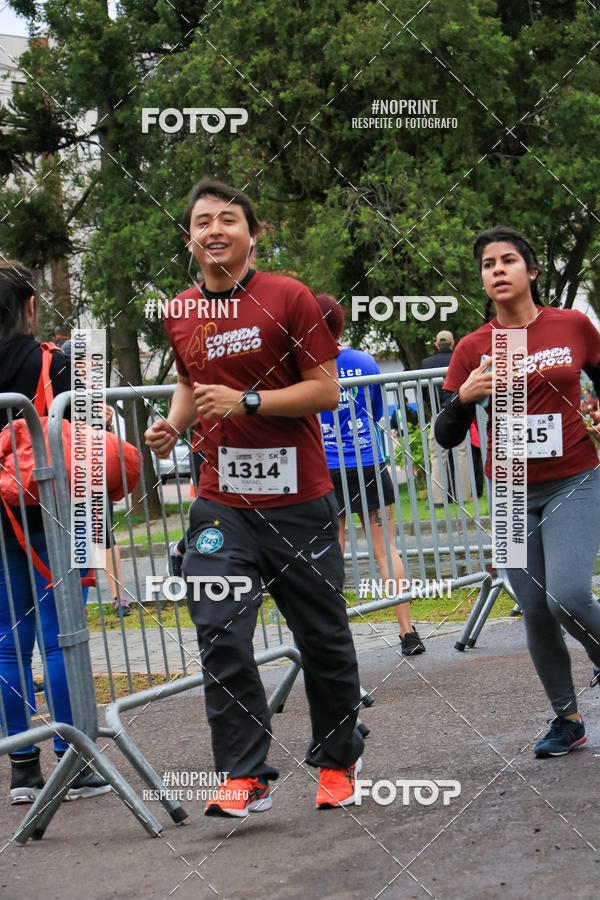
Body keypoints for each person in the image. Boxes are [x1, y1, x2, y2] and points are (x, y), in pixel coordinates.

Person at [145, 178, 364, 816]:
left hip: (298, 501)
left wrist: (249, 402)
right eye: (202, 222)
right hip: (221, 503)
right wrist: (173, 425)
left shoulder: (288, 297)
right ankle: (244, 773)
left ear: (253, 233)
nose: (215, 230)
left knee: (321, 637)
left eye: (228, 220)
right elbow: (192, 385)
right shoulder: (180, 309)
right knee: (219, 632)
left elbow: (325, 391)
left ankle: (339, 758)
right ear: (189, 239)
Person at [435, 225, 600, 758]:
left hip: (575, 478)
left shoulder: (572, 325)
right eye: (488, 264)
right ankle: (566, 719)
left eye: (508, 261)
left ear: (531, 272)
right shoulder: (473, 348)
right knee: (533, 605)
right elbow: (445, 433)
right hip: (508, 494)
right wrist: (463, 398)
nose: (498, 270)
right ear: (482, 280)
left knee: (569, 596)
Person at [0, 262, 110, 802]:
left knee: (5, 647)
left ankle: (22, 769)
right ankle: (76, 760)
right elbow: (91, 440)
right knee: (61, 637)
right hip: (49, 513)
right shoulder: (55, 363)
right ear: (29, 308)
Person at [315, 293, 425, 655]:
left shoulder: (308, 364)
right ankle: (407, 632)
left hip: (328, 467)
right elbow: (377, 408)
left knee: (334, 551)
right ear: (342, 324)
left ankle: (333, 639)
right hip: (368, 462)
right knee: (385, 549)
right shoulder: (364, 361)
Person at [420, 331, 472, 508]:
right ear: (452, 343)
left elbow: (423, 392)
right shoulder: (459, 359)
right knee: (461, 452)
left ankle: (437, 499)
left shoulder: (426, 363)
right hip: (458, 409)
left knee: (437, 455)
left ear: (436, 344)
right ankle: (464, 496)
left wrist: (433, 406)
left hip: (438, 411)